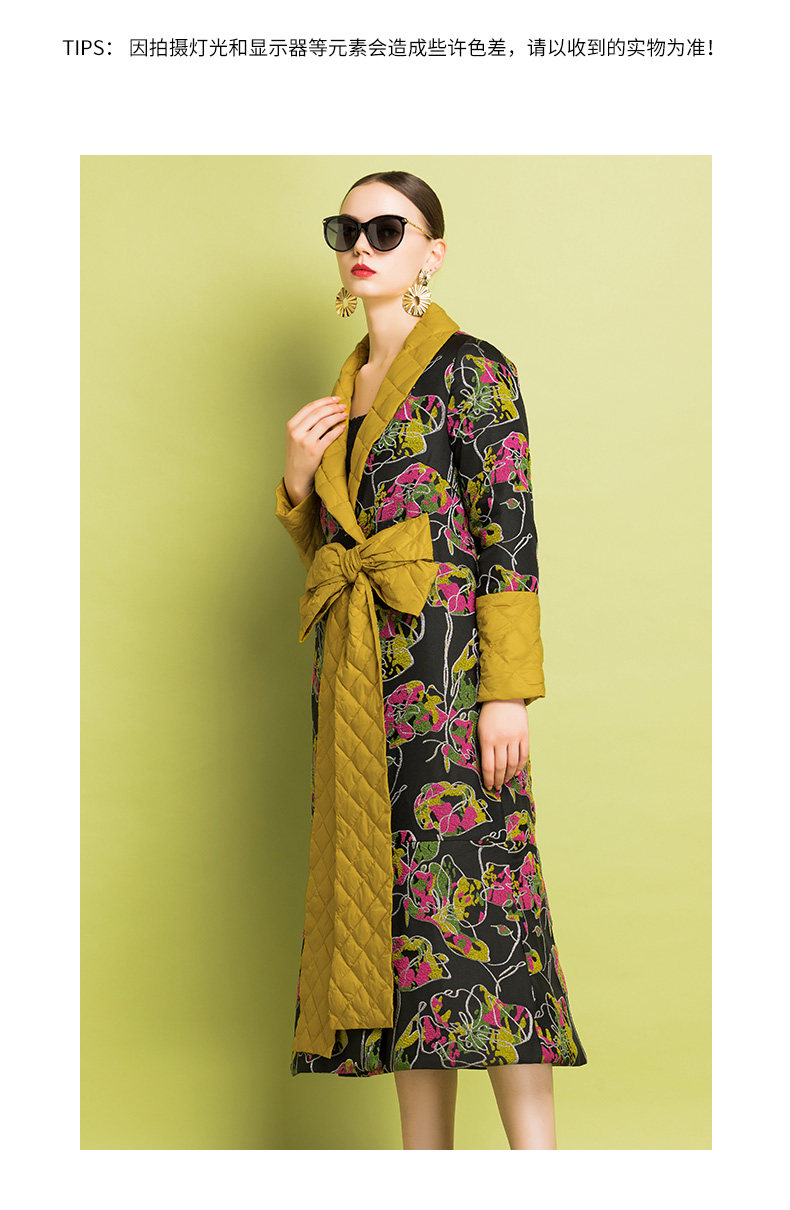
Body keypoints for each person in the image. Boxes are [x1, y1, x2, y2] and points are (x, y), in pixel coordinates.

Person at [274, 170, 588, 1150]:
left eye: (386, 228)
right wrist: (298, 482)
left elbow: (509, 535)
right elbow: (340, 549)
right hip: (363, 684)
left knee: (491, 921)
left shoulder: (472, 369)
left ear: (431, 252)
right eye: (347, 229)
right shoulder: (340, 394)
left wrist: (508, 694)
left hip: (451, 686)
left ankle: (538, 1167)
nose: (361, 245)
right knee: (407, 937)